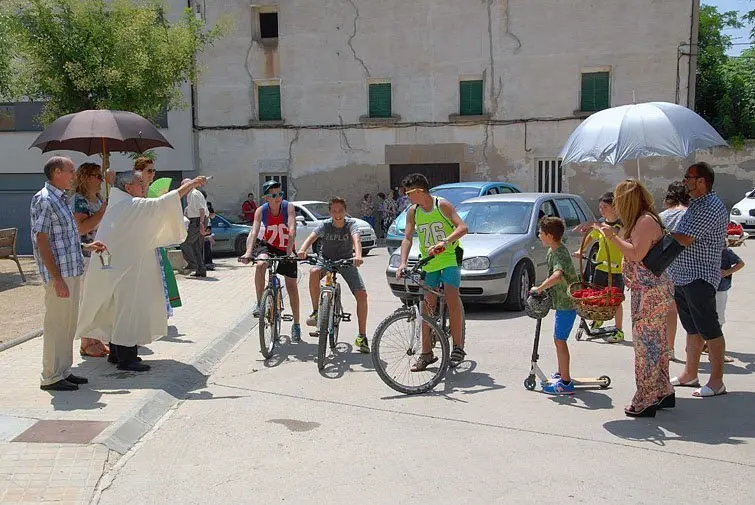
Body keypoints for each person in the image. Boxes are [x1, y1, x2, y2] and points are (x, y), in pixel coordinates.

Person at [76, 172, 208, 372]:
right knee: (127, 310)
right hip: (124, 270)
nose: (144, 186)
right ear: (128, 187)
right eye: (140, 183)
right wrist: (190, 185)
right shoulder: (130, 205)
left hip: (118, 268)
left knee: (117, 310)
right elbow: (162, 204)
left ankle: (117, 353)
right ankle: (126, 359)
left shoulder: (120, 204)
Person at [595, 179, 675, 417]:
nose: (617, 206)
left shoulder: (645, 221)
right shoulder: (643, 220)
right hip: (648, 290)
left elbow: (636, 253)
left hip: (649, 292)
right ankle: (662, 391)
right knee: (656, 345)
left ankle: (646, 399)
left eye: (619, 201)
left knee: (646, 348)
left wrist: (612, 237)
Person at [31, 156, 107, 391]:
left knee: (68, 324)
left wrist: (86, 247)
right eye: (70, 171)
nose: (74, 176)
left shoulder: (62, 199)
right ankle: (51, 376)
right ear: (56, 173)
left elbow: (64, 237)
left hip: (72, 269)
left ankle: (63, 371)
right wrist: (57, 279)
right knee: (56, 324)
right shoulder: (44, 200)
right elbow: (41, 240)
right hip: (60, 274)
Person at [668, 162, 730, 398]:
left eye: (689, 177)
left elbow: (684, 238)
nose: (685, 181)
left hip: (700, 276)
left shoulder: (710, 207)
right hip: (683, 275)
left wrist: (656, 234)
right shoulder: (696, 204)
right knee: (692, 328)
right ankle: (690, 374)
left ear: (701, 180)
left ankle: (717, 381)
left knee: (710, 329)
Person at [396, 173, 468, 370]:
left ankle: (458, 348)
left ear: (419, 191)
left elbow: (462, 227)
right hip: (429, 261)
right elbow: (408, 238)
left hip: (449, 258)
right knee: (427, 306)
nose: (407, 197)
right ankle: (426, 353)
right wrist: (402, 263)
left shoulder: (442, 205)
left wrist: (445, 242)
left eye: (408, 193)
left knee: (452, 297)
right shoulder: (413, 211)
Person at [297, 197, 369, 353]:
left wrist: (358, 255)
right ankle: (317, 312)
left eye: (340, 210)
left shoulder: (351, 224)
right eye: (334, 211)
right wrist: (302, 250)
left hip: (346, 261)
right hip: (326, 260)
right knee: (314, 271)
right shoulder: (325, 225)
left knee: (362, 294)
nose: (337, 214)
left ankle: (362, 336)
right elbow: (312, 237)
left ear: (345, 211)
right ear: (330, 212)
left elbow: (356, 240)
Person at [240, 180, 302, 342]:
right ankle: (260, 303)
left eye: (280, 194)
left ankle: (296, 325)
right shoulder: (261, 211)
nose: (278, 198)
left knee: (291, 286)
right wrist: (248, 252)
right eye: (274, 195)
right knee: (260, 265)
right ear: (266, 197)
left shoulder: (288, 207)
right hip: (268, 246)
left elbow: (292, 228)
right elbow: (254, 231)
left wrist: (289, 252)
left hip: (286, 247)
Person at [531, 217, 580, 395]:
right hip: (561, 303)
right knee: (558, 339)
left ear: (550, 236)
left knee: (560, 341)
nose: (539, 235)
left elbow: (558, 275)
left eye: (541, 233)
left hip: (567, 303)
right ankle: (562, 372)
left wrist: (540, 288)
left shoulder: (559, 253)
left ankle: (566, 384)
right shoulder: (553, 250)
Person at [71, 162, 110, 358]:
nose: (101, 180)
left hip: (99, 255)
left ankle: (96, 337)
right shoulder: (79, 200)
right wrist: (103, 211)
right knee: (86, 298)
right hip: (86, 255)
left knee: (97, 297)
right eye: (97, 175)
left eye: (101, 176)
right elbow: (82, 229)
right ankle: (86, 341)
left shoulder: (99, 198)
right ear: (85, 177)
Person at [575, 192, 625, 343]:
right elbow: (592, 236)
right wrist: (581, 250)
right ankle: (598, 318)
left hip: (617, 269)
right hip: (600, 266)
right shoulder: (602, 224)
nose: (601, 210)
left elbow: (615, 234)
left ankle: (619, 329)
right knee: (596, 295)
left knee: (616, 300)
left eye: (605, 207)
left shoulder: (620, 225)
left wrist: (596, 225)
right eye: (600, 207)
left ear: (614, 207)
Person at [136, 158, 182, 315]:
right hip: (142, 242)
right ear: (139, 172)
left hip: (155, 239)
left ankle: (160, 311)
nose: (152, 174)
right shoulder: (136, 191)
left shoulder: (152, 192)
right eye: (149, 170)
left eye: (153, 170)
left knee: (162, 276)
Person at [658, 181, 690, 361]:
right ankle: (692, 348)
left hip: (666, 267)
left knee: (670, 311)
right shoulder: (691, 214)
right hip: (690, 268)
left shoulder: (661, 217)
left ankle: (669, 348)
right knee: (692, 314)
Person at [708, 245, 745, 363]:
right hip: (705, 288)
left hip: (720, 289)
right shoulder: (704, 248)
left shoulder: (726, 251)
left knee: (718, 319)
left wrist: (727, 272)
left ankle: (714, 350)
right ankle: (709, 347)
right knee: (705, 317)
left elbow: (740, 263)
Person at [181, 177, 208, 278]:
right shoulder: (191, 194)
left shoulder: (194, 193)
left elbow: (201, 209)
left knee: (185, 242)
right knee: (196, 247)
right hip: (197, 220)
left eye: (183, 185)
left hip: (197, 221)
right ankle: (201, 270)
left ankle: (192, 263)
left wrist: (201, 223)